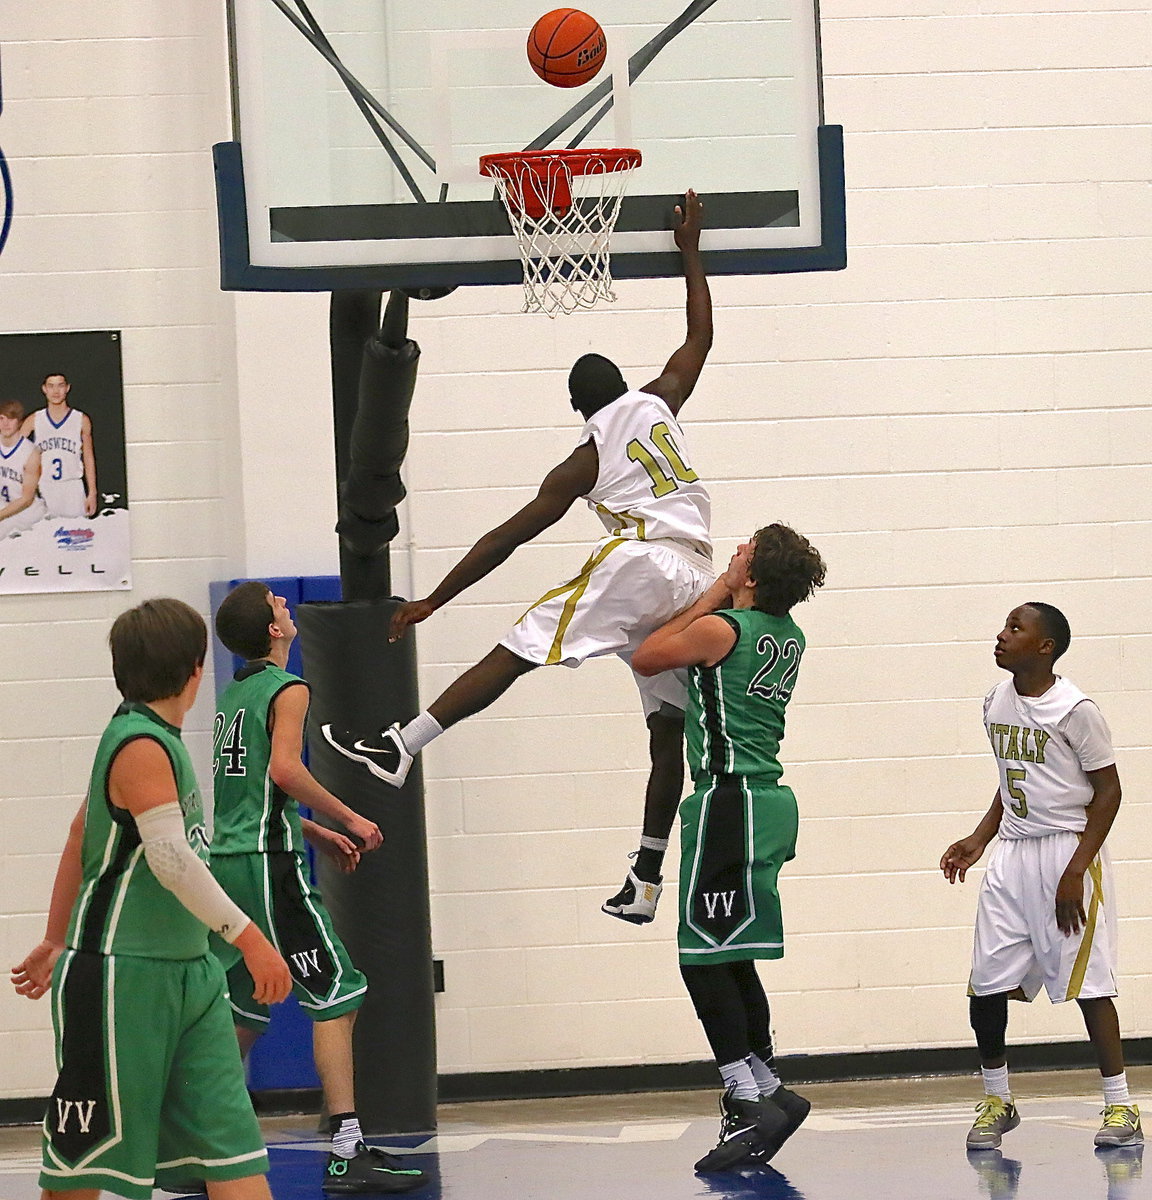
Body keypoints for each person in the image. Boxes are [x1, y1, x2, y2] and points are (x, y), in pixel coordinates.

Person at [324, 190, 714, 924]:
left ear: (578, 408)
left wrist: (435, 597)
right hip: (696, 574)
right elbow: (699, 336)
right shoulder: (662, 400)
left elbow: (509, 535)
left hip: (645, 563)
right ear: (623, 387)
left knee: (522, 646)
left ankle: (401, 744)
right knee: (669, 732)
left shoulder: (587, 456)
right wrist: (690, 250)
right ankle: (647, 878)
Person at [10, 598, 292, 1200]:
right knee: (82, 1167)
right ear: (196, 669)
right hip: (121, 979)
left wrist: (54, 937)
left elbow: (77, 835)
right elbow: (170, 859)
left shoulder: (157, 738)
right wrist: (250, 938)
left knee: (234, 1152)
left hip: (190, 975)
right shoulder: (138, 743)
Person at [211, 582, 426, 1194]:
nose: (286, 606)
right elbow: (283, 769)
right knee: (339, 992)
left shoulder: (235, 694)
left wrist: (319, 834)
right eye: (278, 604)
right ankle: (347, 1148)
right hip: (266, 867)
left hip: (228, 863)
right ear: (275, 630)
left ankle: (200, 1143)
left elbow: (248, 797)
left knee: (244, 1011)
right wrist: (349, 818)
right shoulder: (288, 688)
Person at [631, 523, 827, 1172]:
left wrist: (715, 590)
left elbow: (649, 654)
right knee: (731, 953)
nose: (732, 551)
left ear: (751, 575)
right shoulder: (788, 635)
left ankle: (747, 1097)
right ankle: (769, 1089)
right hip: (764, 803)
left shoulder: (723, 630)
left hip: (728, 802)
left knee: (700, 958)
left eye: (741, 552)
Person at [941, 602, 1142, 1152]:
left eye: (1014, 628)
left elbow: (1110, 792)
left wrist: (1076, 870)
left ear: (1044, 647)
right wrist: (979, 840)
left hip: (1068, 852)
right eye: (1003, 624)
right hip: (1012, 854)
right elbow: (1012, 782)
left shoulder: (1076, 710)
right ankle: (998, 1098)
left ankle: (1121, 1106)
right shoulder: (995, 701)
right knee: (985, 983)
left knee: (1089, 984)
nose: (1000, 635)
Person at [22, 372, 97, 518]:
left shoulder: (81, 419)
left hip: (73, 488)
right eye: (51, 386)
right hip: (44, 487)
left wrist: (92, 492)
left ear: (67, 388)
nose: (56, 391)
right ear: (44, 389)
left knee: (77, 537)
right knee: (46, 537)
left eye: (60, 385)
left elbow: (88, 458)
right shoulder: (34, 419)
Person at [0, 399, 48, 539]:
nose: (6, 424)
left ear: (20, 421)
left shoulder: (30, 452)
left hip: (27, 514)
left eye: (11, 418)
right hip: (5, 506)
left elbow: (26, 499)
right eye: (2, 418)